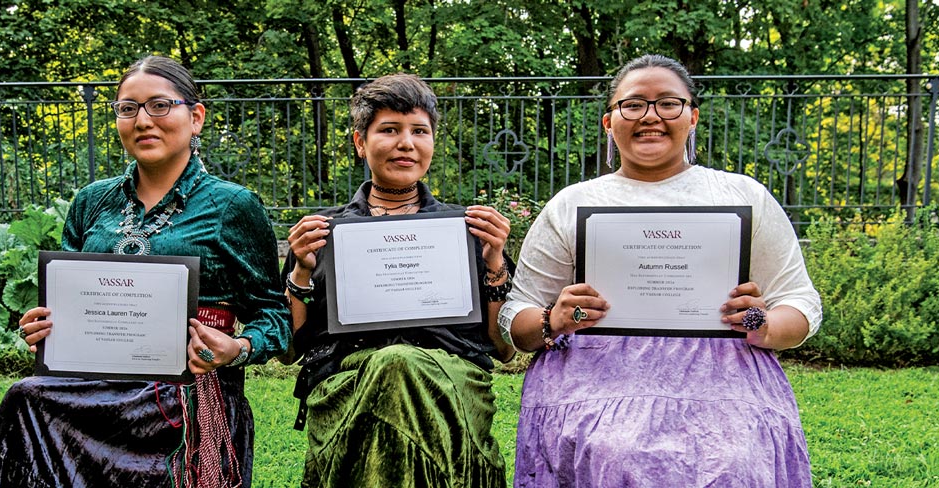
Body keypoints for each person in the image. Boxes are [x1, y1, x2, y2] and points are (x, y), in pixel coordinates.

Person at [0, 55, 290, 488]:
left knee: (32, 396)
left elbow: (274, 317)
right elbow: (64, 299)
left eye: (160, 106)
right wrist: (43, 325)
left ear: (196, 117)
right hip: (92, 383)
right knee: (26, 397)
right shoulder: (92, 201)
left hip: (181, 392)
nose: (143, 120)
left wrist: (236, 347)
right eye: (128, 108)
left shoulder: (232, 206)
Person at [500, 54, 822, 487]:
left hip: (722, 377)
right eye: (633, 105)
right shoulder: (571, 205)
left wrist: (763, 325)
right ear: (609, 122)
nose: (650, 117)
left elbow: (800, 303)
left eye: (668, 103)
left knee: (733, 460)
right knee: (614, 453)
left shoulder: (742, 195)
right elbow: (517, 318)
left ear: (692, 117)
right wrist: (555, 319)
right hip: (594, 376)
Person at [283, 73, 516, 487]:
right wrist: (301, 270)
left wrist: (494, 261)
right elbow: (289, 352)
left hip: (450, 380)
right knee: (392, 365)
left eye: (419, 131)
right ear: (360, 143)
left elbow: (503, 349)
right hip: (345, 380)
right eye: (389, 130)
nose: (405, 143)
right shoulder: (325, 233)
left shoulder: (467, 232)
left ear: (432, 143)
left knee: (400, 364)